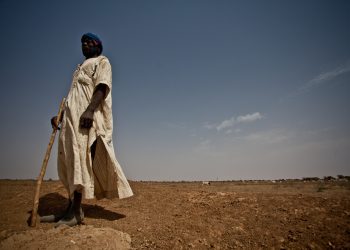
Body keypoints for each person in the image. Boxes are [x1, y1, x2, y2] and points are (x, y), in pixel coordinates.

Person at [42, 33, 133, 227]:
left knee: (80, 161)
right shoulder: (79, 69)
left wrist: (90, 110)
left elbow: (102, 86)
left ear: (98, 46)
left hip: (86, 121)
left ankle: (75, 212)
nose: (85, 44)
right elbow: (75, 96)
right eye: (83, 42)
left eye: (90, 42)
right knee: (70, 163)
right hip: (71, 121)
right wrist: (61, 117)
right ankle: (69, 210)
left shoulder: (102, 61)